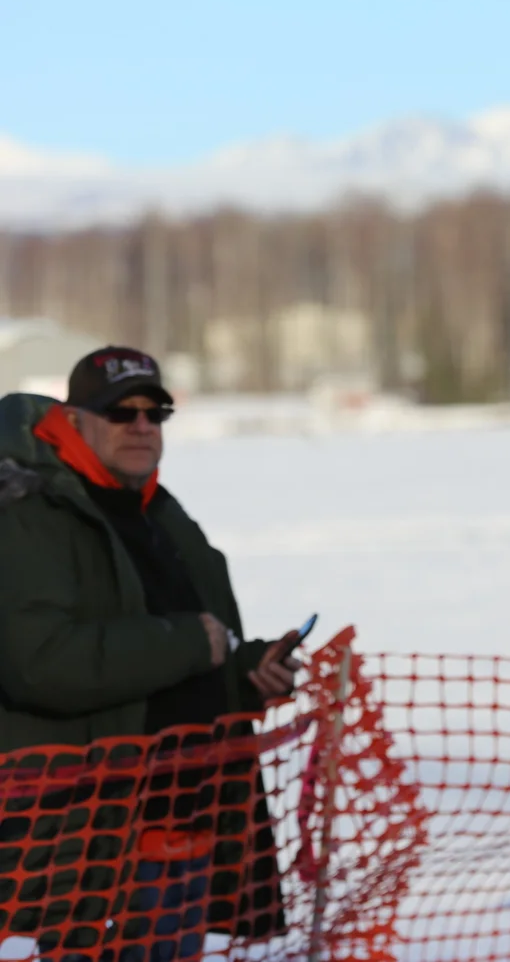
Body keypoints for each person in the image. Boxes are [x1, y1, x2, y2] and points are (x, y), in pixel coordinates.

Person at [0, 347, 299, 960]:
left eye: (155, 412)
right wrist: (189, 643)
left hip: (186, 825)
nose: (140, 426)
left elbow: (201, 642)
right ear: (73, 419)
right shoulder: (29, 513)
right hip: (86, 844)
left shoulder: (158, 511)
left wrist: (247, 672)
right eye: (120, 411)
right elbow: (40, 662)